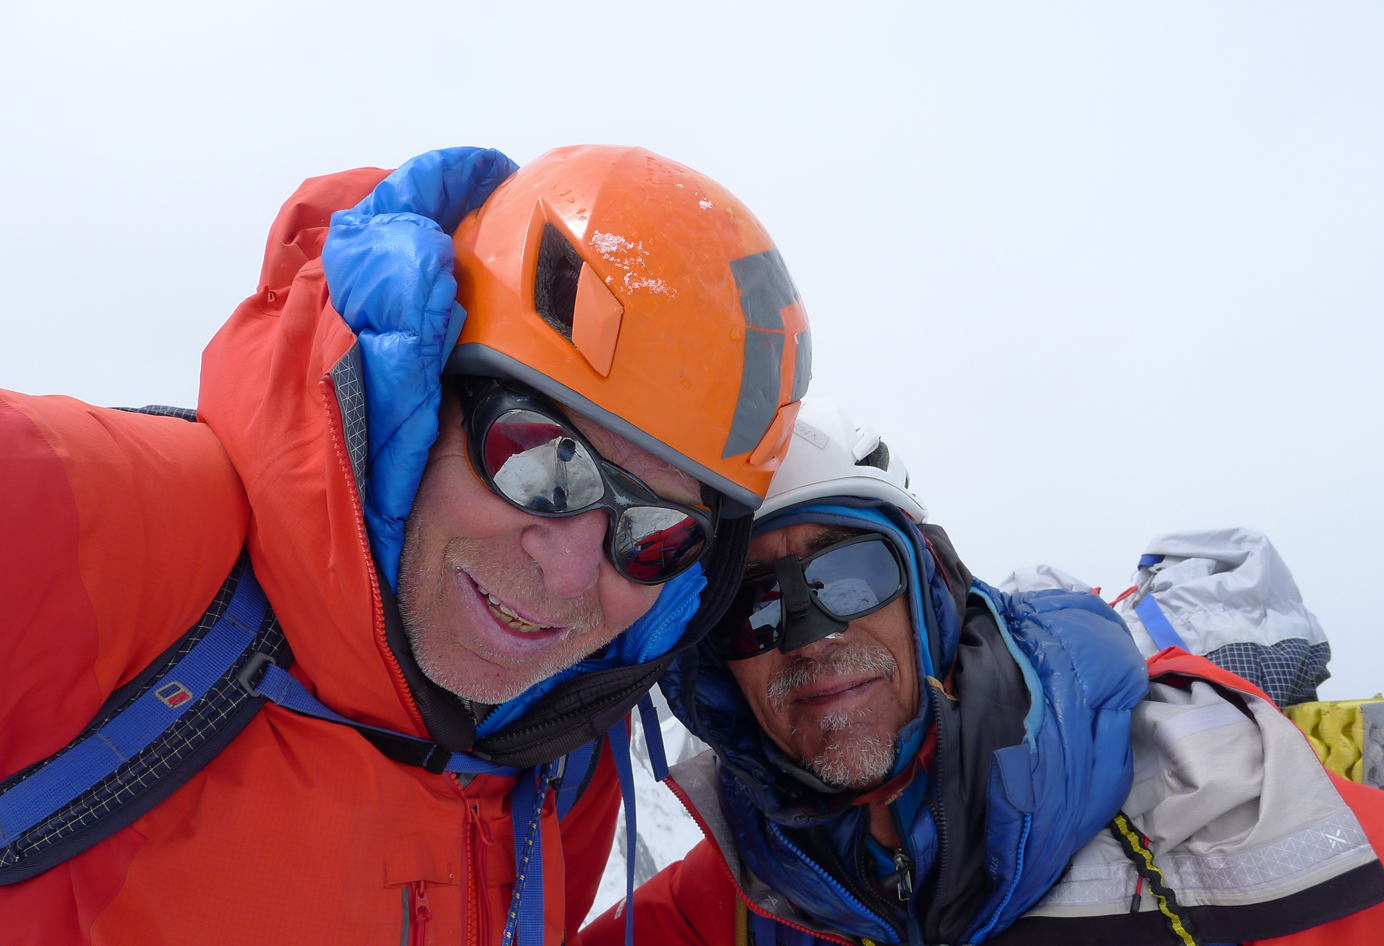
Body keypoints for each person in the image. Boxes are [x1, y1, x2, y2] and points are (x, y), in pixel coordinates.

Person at [0, 145, 810, 945]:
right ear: (420, 400)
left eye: (654, 535)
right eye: (537, 459)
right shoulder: (107, 521)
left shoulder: (564, 763)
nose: (567, 573)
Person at [582, 397, 1384, 946]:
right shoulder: (742, 894)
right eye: (752, 609)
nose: (808, 637)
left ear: (930, 592)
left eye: (850, 576)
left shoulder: (1223, 809)